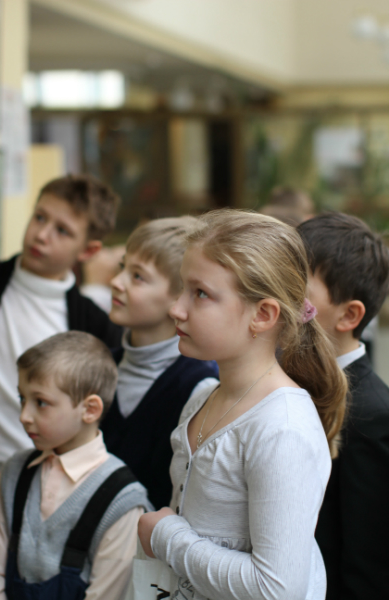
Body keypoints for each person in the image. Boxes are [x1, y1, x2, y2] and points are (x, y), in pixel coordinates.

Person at [137, 209, 348, 600]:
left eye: (200, 293)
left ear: (263, 314)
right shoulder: (203, 396)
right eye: (183, 288)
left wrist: (166, 537)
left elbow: (276, 588)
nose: (176, 308)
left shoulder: (282, 428)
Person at [0, 331, 151, 600]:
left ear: (90, 409)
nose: (24, 416)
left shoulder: (122, 502)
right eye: (22, 399)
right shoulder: (14, 472)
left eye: (41, 402)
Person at [0, 174, 122, 494]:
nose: (41, 235)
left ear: (88, 250)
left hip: (40, 484)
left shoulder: (95, 326)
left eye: (62, 230)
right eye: (40, 217)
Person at [298, 212, 389, 600]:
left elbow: (366, 560)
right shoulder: (286, 380)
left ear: (349, 315)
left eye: (297, 288)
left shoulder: (372, 413)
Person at [101, 217, 219, 510]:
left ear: (179, 296)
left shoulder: (198, 387)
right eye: (122, 267)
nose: (116, 282)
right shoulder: (101, 365)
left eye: (137, 276)